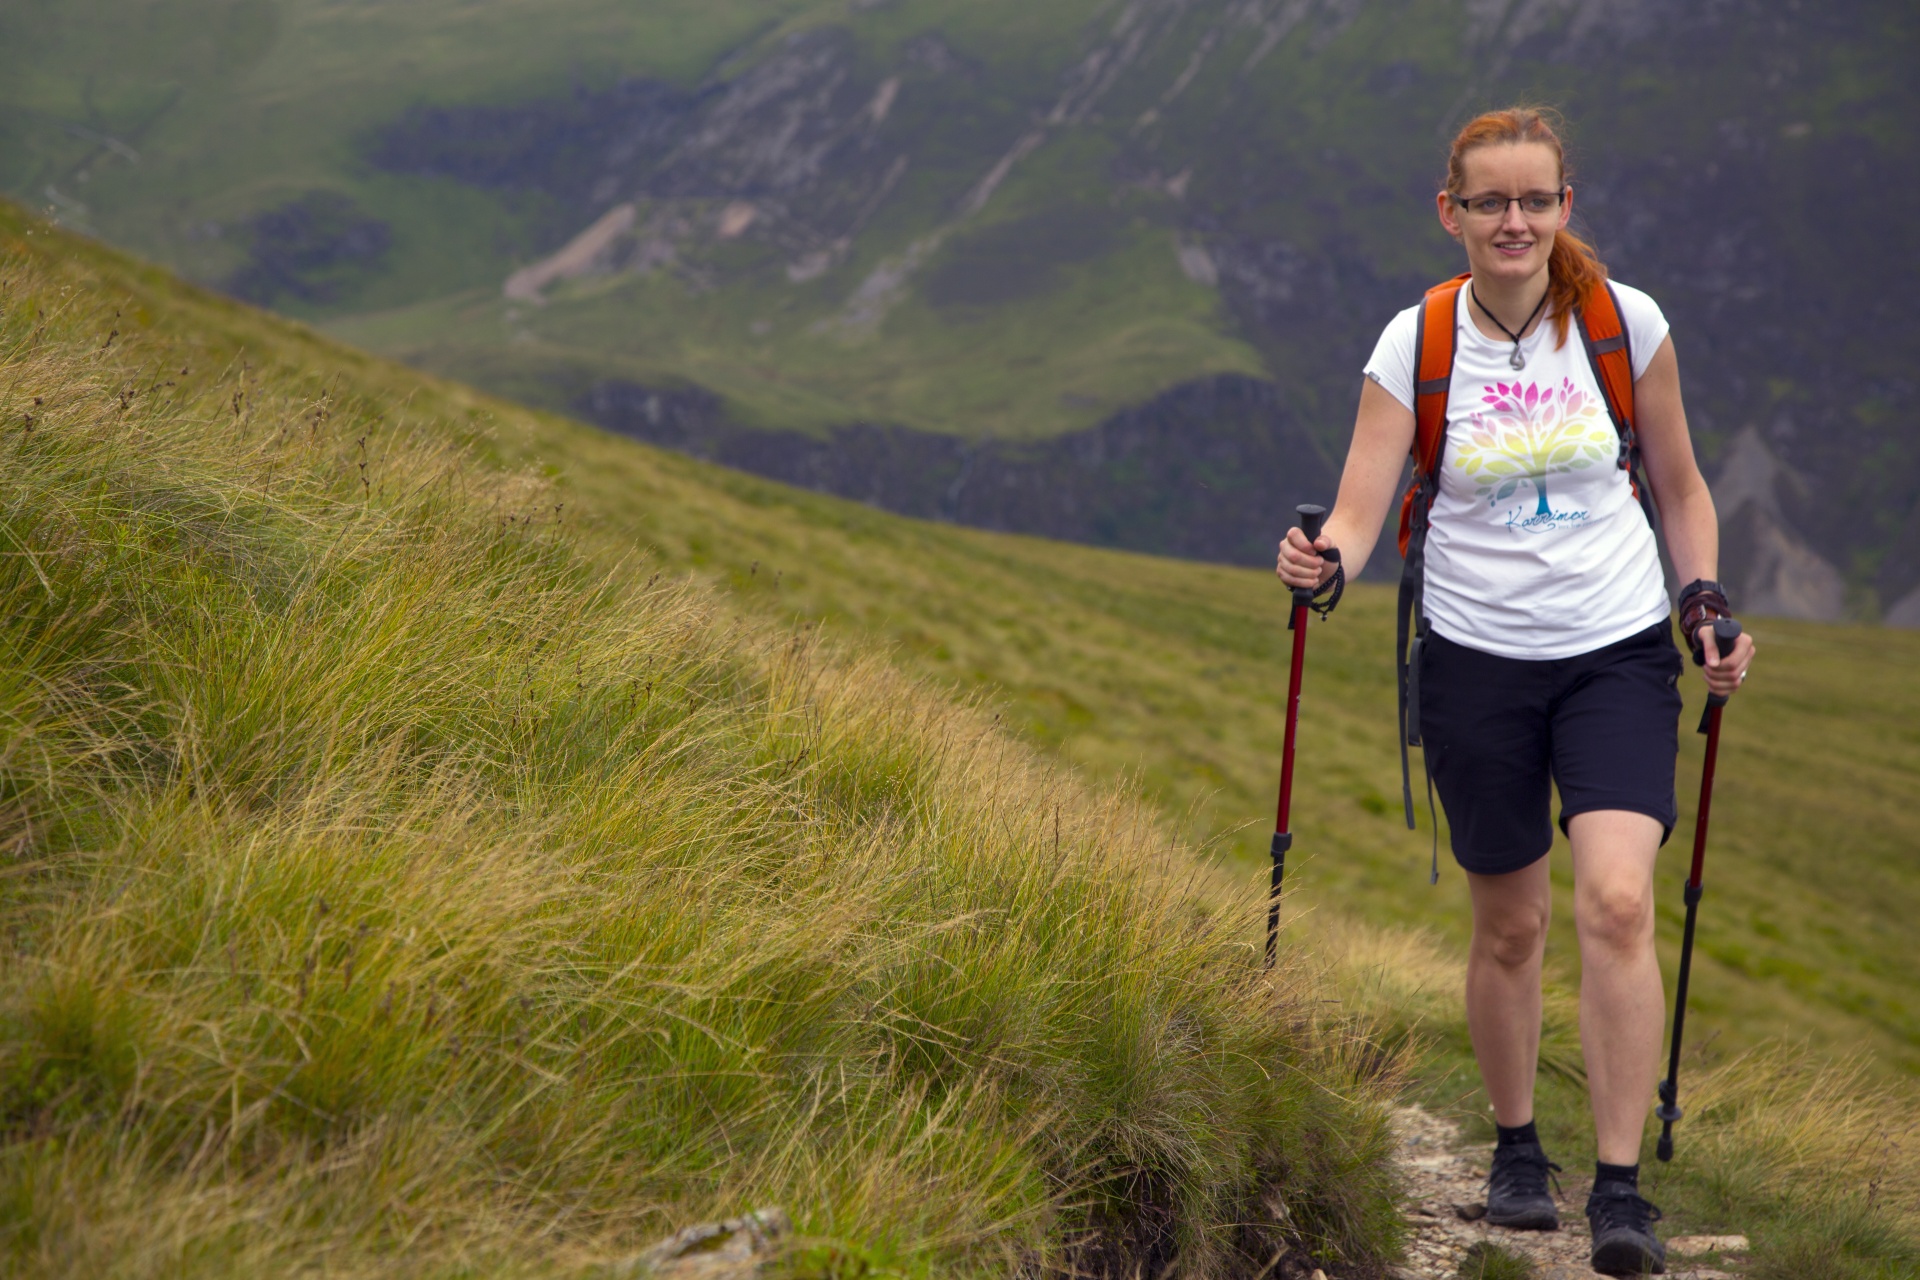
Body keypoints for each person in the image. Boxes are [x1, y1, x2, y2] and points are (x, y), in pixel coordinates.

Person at [1274, 107, 1756, 1278]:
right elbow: (1358, 500)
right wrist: (1325, 559)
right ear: (1451, 213)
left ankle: (1622, 1187)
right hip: (1475, 657)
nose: (1514, 221)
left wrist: (1702, 604)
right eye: (1489, 202)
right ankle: (1514, 1151)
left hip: (1616, 652)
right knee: (1511, 922)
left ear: (1565, 205)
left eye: (1534, 200)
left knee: (1618, 903)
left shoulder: (1623, 324)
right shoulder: (1416, 343)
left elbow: (1682, 488)